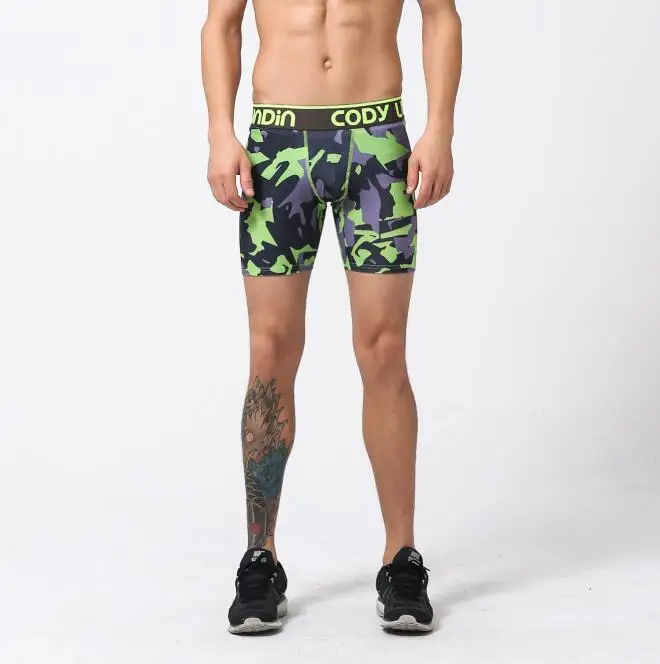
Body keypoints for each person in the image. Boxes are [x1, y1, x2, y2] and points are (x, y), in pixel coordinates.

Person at [201, 0, 462, 634]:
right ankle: (260, 558)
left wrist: (440, 130)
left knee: (383, 349)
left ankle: (401, 558)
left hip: (377, 145)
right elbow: (221, 22)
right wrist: (219, 133)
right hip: (276, 146)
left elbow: (441, 15)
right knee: (269, 350)